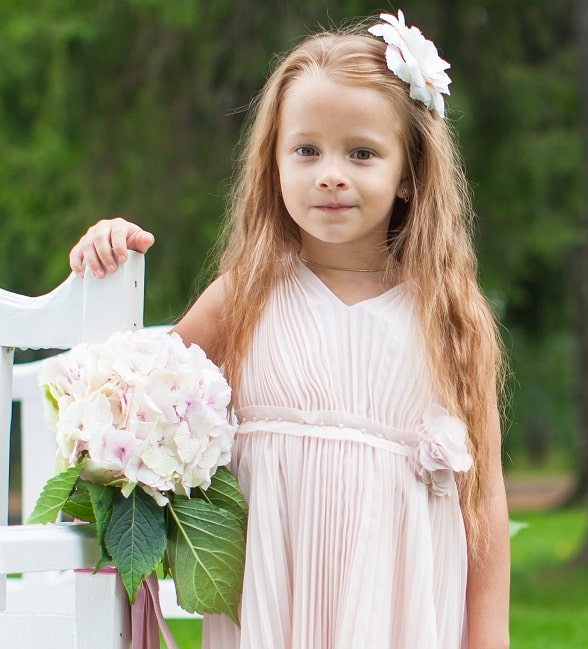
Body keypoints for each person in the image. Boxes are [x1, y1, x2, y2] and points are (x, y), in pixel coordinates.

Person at [70, 11, 510, 649]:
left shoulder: (449, 314)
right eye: (307, 150)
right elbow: (141, 400)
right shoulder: (246, 295)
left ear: (410, 172)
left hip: (402, 608)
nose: (330, 173)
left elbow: (486, 503)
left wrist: (488, 639)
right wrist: (103, 246)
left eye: (361, 153)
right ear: (274, 161)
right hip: (275, 602)